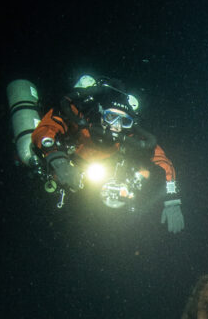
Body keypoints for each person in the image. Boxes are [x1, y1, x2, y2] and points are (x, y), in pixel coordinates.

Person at [28, 74, 184, 232]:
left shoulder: (131, 136)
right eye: (111, 117)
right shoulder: (79, 117)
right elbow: (46, 130)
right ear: (100, 113)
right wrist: (58, 159)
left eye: (124, 121)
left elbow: (163, 162)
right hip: (62, 182)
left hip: (97, 202)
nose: (116, 126)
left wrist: (172, 199)